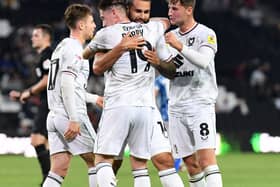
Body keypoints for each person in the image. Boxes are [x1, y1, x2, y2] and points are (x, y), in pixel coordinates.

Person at [83, 0, 180, 186]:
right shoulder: (153, 29)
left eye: (103, 18)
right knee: (139, 164)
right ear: (127, 10)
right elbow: (166, 22)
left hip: (118, 105)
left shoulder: (107, 34)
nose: (102, 22)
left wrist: (118, 47)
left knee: (102, 160)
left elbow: (88, 60)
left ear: (114, 13)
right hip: (144, 108)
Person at [165, 0, 223, 186]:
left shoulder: (205, 34)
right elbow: (169, 70)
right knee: (190, 164)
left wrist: (180, 46)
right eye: (169, 8)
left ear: (189, 10)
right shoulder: (170, 36)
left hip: (200, 105)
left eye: (175, 8)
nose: (170, 12)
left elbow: (204, 61)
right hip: (176, 107)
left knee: (206, 161)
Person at [42, 4, 99, 187]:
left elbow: (68, 85)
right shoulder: (75, 49)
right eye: (91, 22)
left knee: (59, 168)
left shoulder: (61, 47)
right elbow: (66, 83)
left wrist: (94, 98)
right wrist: (74, 118)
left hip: (54, 115)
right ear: (81, 25)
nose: (94, 26)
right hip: (69, 115)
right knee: (99, 160)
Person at [9, 24, 53, 186]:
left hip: (49, 103)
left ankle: (48, 181)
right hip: (48, 102)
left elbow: (47, 80)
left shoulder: (47, 54)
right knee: (46, 144)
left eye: (36, 35)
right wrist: (23, 94)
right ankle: (50, 181)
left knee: (36, 140)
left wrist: (28, 93)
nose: (32, 38)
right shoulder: (43, 56)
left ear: (46, 37)